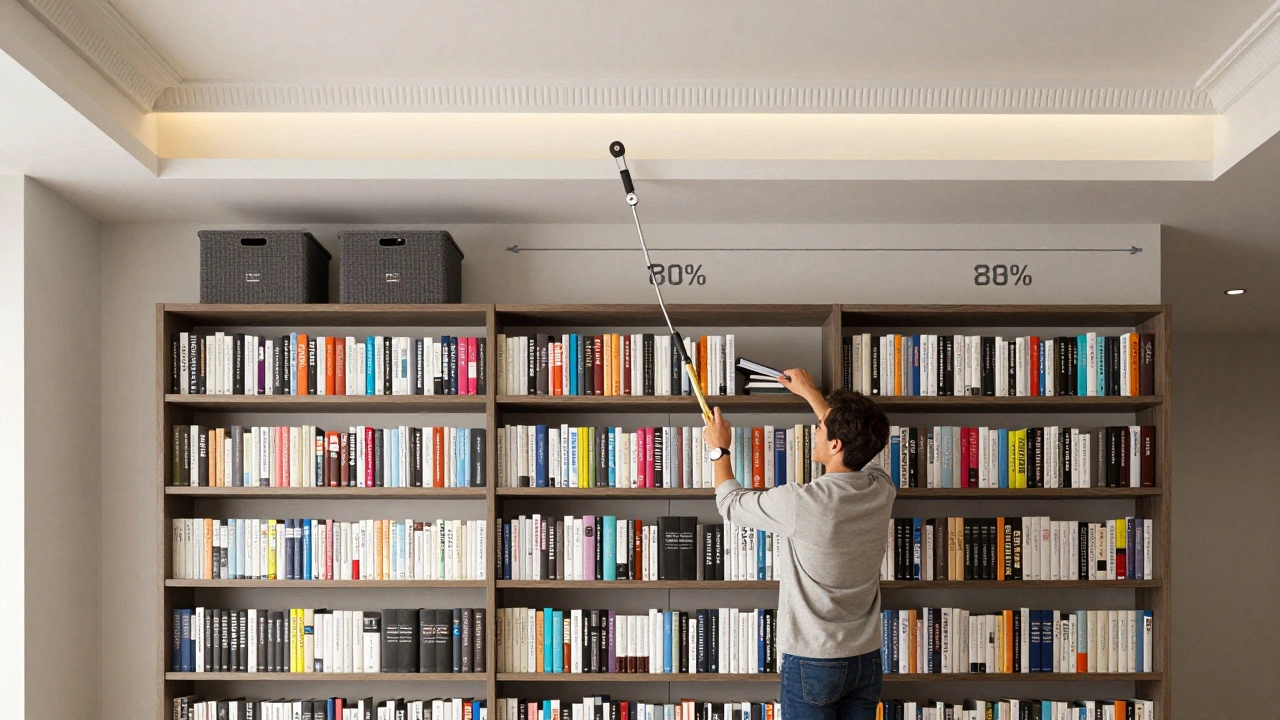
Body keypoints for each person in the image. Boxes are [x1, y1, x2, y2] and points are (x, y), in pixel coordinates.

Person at [702, 368, 894, 720]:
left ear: (835, 445)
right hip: (866, 659)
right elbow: (860, 445)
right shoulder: (881, 487)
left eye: (820, 428)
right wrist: (811, 395)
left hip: (814, 661)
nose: (816, 429)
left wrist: (719, 449)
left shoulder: (803, 502)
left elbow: (730, 503)